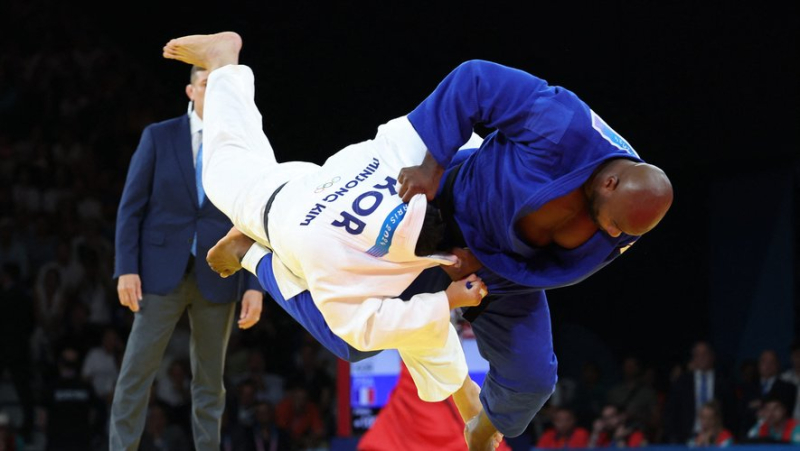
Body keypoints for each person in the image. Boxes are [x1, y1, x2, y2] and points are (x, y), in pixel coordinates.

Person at [162, 32, 673, 450]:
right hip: (423, 200)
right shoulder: (561, 126)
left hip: (498, 263)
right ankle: (251, 252)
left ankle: (481, 422)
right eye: (611, 225)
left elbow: (566, 268)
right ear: (608, 181)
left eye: (621, 236)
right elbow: (475, 80)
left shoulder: (627, 216)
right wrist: (432, 166)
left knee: (532, 378)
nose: (613, 237)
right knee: (354, 338)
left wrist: (472, 274)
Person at [109, 62, 263, 450]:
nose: (215, 91)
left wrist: (254, 284)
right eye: (207, 84)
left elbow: (254, 216)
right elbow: (131, 208)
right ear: (191, 91)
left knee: (211, 381)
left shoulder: (239, 144)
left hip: (220, 273)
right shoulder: (159, 137)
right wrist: (126, 268)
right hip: (161, 272)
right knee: (136, 373)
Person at [664, 341, 737, 444]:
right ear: (693, 359)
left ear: (712, 356)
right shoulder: (682, 381)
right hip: (686, 438)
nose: (701, 357)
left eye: (705, 354)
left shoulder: (724, 381)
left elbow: (732, 412)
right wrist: (674, 438)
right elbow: (671, 412)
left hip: (718, 438)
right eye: (697, 355)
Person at [738, 349, 797, 438]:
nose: (767, 365)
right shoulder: (747, 387)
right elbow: (741, 411)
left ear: (778, 365)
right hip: (751, 436)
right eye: (764, 361)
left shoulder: (788, 387)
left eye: (771, 362)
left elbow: (787, 411)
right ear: (758, 365)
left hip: (781, 436)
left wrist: (762, 406)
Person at [780, 341, 800, 420]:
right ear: (791, 357)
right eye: (796, 355)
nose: (799, 359)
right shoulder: (784, 378)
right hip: (788, 426)